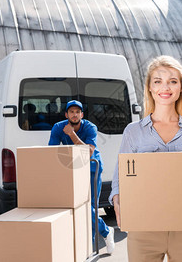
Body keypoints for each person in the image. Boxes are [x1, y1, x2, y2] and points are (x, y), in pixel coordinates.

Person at [109, 56, 182, 261]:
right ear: (150, 88)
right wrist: (117, 202)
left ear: (181, 89)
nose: (165, 87)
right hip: (143, 230)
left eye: (173, 81)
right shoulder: (133, 132)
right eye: (158, 81)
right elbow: (119, 180)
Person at [48, 100, 115, 255]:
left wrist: (71, 134)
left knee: (89, 206)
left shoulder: (90, 127)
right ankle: (104, 233)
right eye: (71, 111)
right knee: (79, 206)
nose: (75, 114)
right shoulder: (58, 127)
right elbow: (51, 151)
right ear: (66, 115)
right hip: (72, 170)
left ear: (82, 115)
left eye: (78, 112)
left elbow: (89, 152)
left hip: (92, 168)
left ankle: (90, 246)